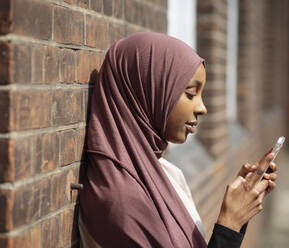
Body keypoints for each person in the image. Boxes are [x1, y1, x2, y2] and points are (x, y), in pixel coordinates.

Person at [78, 32, 278, 248]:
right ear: (147, 92)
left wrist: (239, 212)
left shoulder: (164, 172)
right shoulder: (119, 201)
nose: (202, 108)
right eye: (191, 93)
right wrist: (229, 224)